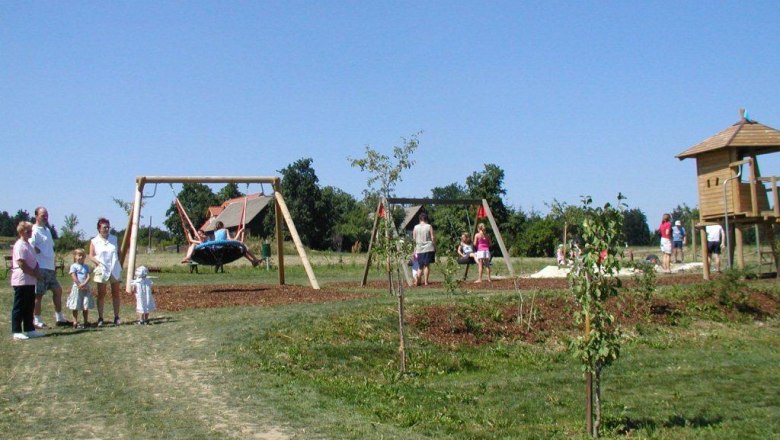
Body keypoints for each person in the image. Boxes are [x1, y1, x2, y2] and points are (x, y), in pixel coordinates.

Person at [30, 207, 70, 328]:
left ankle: (59, 318)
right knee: (39, 294)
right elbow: (30, 245)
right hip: (40, 267)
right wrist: (39, 253)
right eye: (43, 215)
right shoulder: (34, 230)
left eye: (47, 215)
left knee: (58, 290)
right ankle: (36, 320)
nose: (45, 217)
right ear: (36, 216)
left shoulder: (47, 230)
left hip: (50, 268)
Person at [10, 222, 45, 340]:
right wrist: (35, 273)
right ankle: (16, 331)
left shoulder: (28, 244)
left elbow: (33, 261)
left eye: (31, 230)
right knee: (20, 306)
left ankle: (29, 329)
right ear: (21, 232)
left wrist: (37, 272)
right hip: (21, 280)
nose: (30, 232)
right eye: (27, 231)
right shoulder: (19, 245)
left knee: (29, 305)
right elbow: (21, 264)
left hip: (30, 281)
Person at [89, 218, 122, 327]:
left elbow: (119, 252)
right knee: (101, 294)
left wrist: (119, 264)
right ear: (99, 228)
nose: (107, 229)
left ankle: (116, 317)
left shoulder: (114, 239)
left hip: (114, 269)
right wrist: (97, 262)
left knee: (116, 293)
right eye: (104, 227)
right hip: (102, 269)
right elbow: (91, 255)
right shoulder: (94, 241)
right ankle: (100, 317)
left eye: (108, 227)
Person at [66, 249, 94, 329]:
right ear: (75, 256)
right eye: (79, 255)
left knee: (85, 304)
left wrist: (84, 284)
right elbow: (73, 276)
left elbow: (89, 276)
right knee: (76, 305)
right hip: (77, 287)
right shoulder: (73, 266)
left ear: (85, 257)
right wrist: (79, 284)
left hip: (85, 287)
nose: (80, 257)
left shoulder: (86, 266)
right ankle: (75, 321)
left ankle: (86, 321)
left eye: (82, 255)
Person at [412, 213, 435, 286]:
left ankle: (417, 280)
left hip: (419, 248)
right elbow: (432, 237)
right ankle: (425, 282)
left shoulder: (415, 227)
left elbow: (414, 240)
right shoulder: (429, 226)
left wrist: (414, 250)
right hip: (428, 247)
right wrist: (434, 246)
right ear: (426, 219)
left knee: (420, 266)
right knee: (427, 265)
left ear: (420, 219)